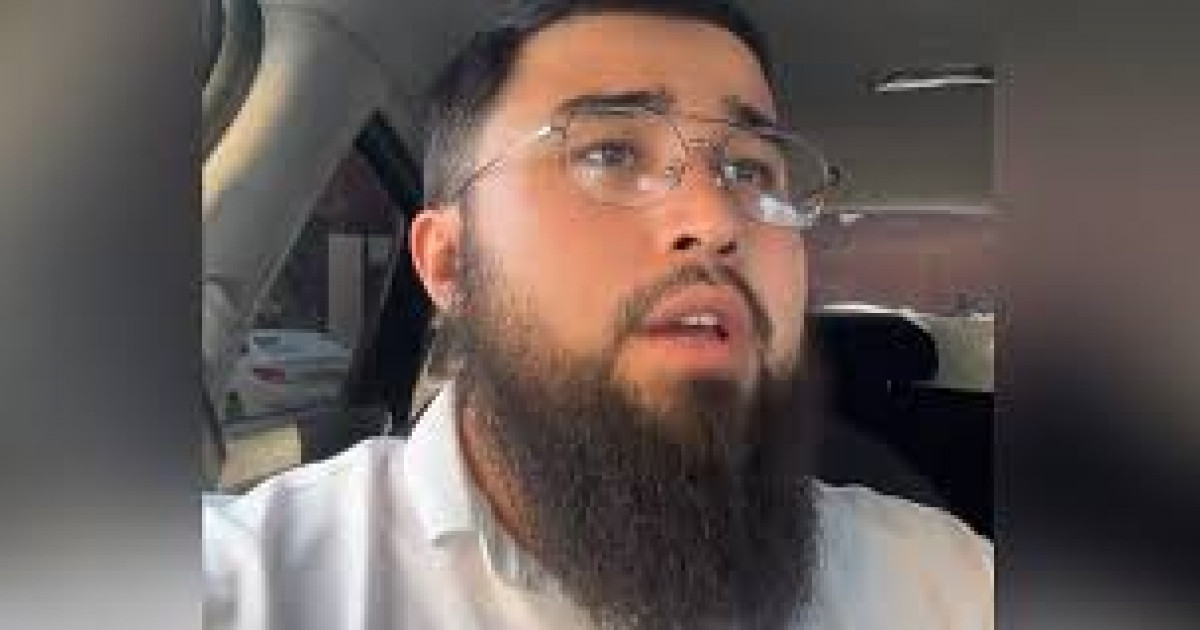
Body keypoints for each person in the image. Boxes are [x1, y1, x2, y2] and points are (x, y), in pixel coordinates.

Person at [203, 1, 993, 628]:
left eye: (752, 170)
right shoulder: (246, 585)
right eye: (610, 153)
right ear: (448, 262)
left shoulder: (945, 583)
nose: (715, 218)